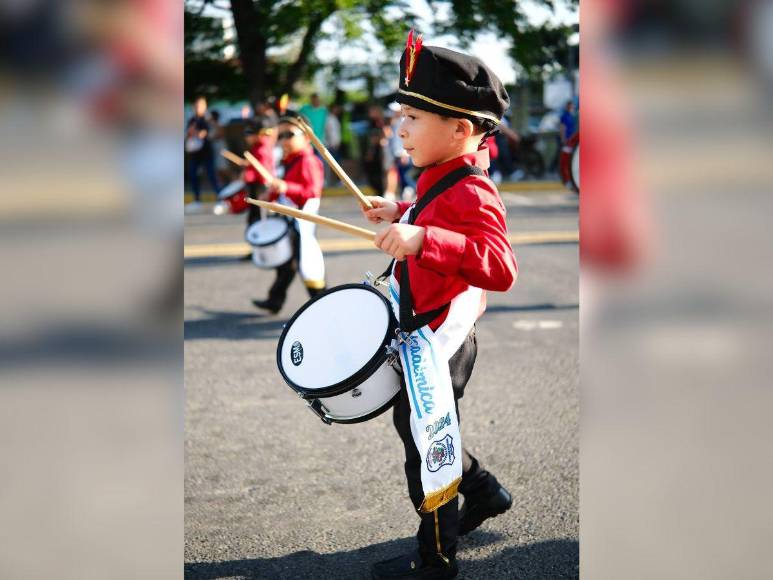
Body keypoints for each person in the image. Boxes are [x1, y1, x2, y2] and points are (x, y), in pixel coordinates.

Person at [360, 34, 518, 580]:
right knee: (425, 429)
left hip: (442, 340)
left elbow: (500, 267)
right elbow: (434, 212)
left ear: (460, 129)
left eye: (413, 117)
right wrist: (401, 209)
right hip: (422, 328)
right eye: (400, 115)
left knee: (427, 443)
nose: (400, 129)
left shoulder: (474, 189)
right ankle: (484, 492)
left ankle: (436, 560)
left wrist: (425, 240)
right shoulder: (441, 177)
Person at [252, 112, 327, 313]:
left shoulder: (308, 161)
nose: (284, 140)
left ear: (307, 137)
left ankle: (324, 306)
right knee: (288, 265)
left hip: (302, 224)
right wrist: (273, 195)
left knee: (308, 265)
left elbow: (312, 192)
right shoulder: (290, 159)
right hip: (291, 220)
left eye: (290, 135)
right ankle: (275, 300)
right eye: (281, 135)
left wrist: (285, 187)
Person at [185, 96, 221, 211]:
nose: (197, 108)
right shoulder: (192, 120)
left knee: (211, 175)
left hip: (206, 152)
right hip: (194, 153)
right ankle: (196, 200)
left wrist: (197, 132)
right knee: (193, 175)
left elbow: (207, 133)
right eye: (196, 105)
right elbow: (188, 134)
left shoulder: (208, 119)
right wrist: (192, 133)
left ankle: (221, 199)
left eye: (200, 105)